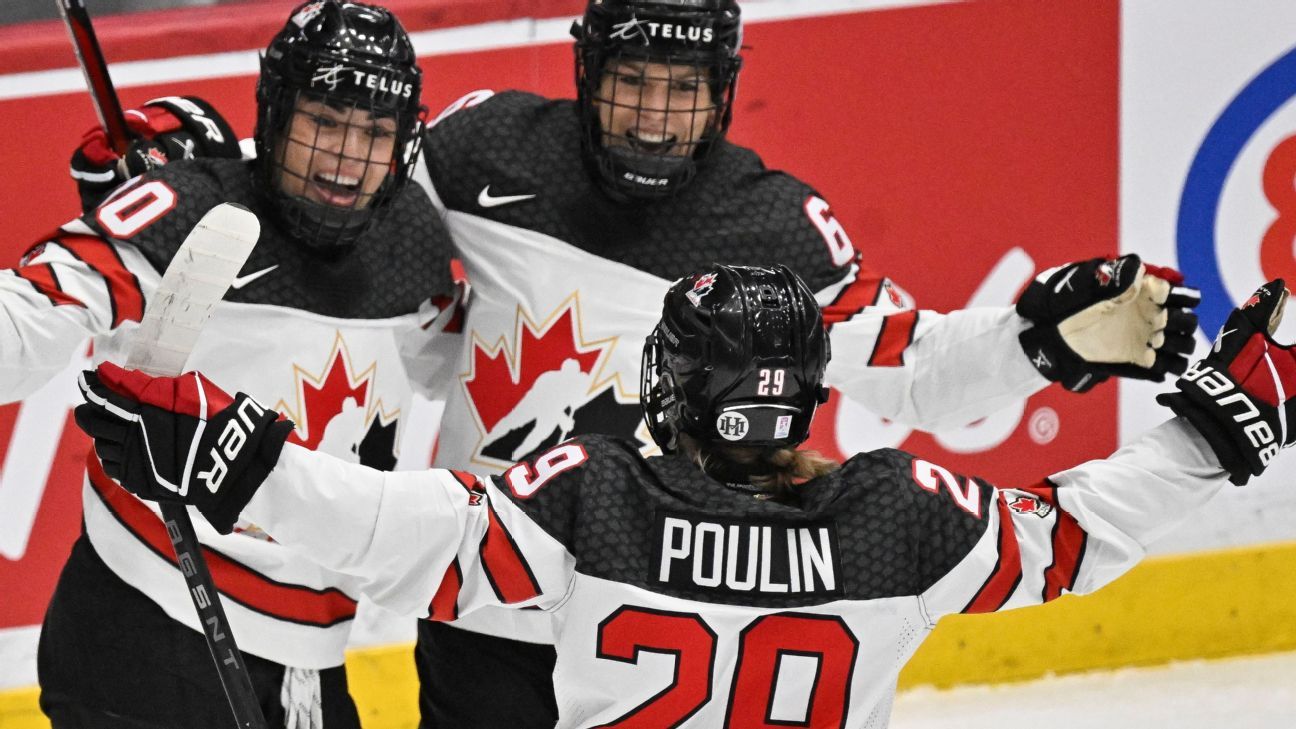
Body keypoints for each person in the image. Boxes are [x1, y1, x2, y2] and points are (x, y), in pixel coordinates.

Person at [68, 1, 1201, 725]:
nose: (655, 119)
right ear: (587, 67)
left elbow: (915, 374)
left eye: (683, 90)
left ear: (724, 88)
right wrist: (199, 175)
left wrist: (1034, 340)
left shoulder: (779, 235)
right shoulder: (477, 150)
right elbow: (329, 202)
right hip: (491, 594)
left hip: (667, 592)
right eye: (631, 83)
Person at [73, 266, 1295, 729]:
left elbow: (387, 533)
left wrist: (227, 456)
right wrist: (1220, 436)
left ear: (671, 383)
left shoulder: (587, 501)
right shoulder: (906, 520)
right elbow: (1081, 536)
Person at [12, 2, 459, 726]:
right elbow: (35, 311)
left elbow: (450, 365)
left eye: (375, 132)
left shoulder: (410, 234)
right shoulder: (193, 208)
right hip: (149, 629)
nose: (348, 153)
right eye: (325, 121)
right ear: (277, 114)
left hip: (313, 660)